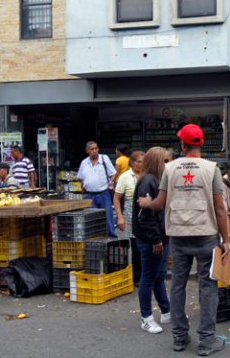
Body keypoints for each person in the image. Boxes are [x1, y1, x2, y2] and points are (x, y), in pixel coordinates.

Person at [138, 124, 230, 356]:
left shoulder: (170, 169)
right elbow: (220, 209)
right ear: (200, 144)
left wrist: (145, 203)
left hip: (178, 237)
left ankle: (180, 337)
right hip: (206, 236)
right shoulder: (212, 168)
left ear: (182, 145)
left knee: (178, 285)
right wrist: (226, 239)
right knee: (208, 286)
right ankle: (206, 340)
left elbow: (159, 204)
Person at [133, 147, 171, 334]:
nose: (168, 164)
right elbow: (146, 216)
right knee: (148, 278)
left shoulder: (157, 180)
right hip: (151, 240)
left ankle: (166, 311)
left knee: (159, 276)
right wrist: (156, 239)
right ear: (157, 162)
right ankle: (146, 318)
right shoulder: (148, 181)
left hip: (162, 237)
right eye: (164, 161)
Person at [114, 150, 145, 287]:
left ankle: (148, 275)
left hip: (147, 213)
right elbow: (116, 198)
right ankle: (137, 277)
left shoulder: (148, 174)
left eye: (144, 162)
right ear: (132, 163)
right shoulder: (125, 177)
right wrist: (120, 217)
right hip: (131, 213)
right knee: (136, 247)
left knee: (148, 245)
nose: (142, 165)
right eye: (139, 162)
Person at [78, 141, 118, 238]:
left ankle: (111, 237)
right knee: (92, 219)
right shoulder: (84, 163)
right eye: (92, 149)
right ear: (87, 151)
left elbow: (113, 173)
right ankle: (96, 238)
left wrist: (111, 182)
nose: (95, 151)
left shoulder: (104, 159)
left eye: (96, 148)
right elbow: (82, 179)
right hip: (89, 195)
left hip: (103, 193)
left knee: (108, 216)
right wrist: (83, 192)